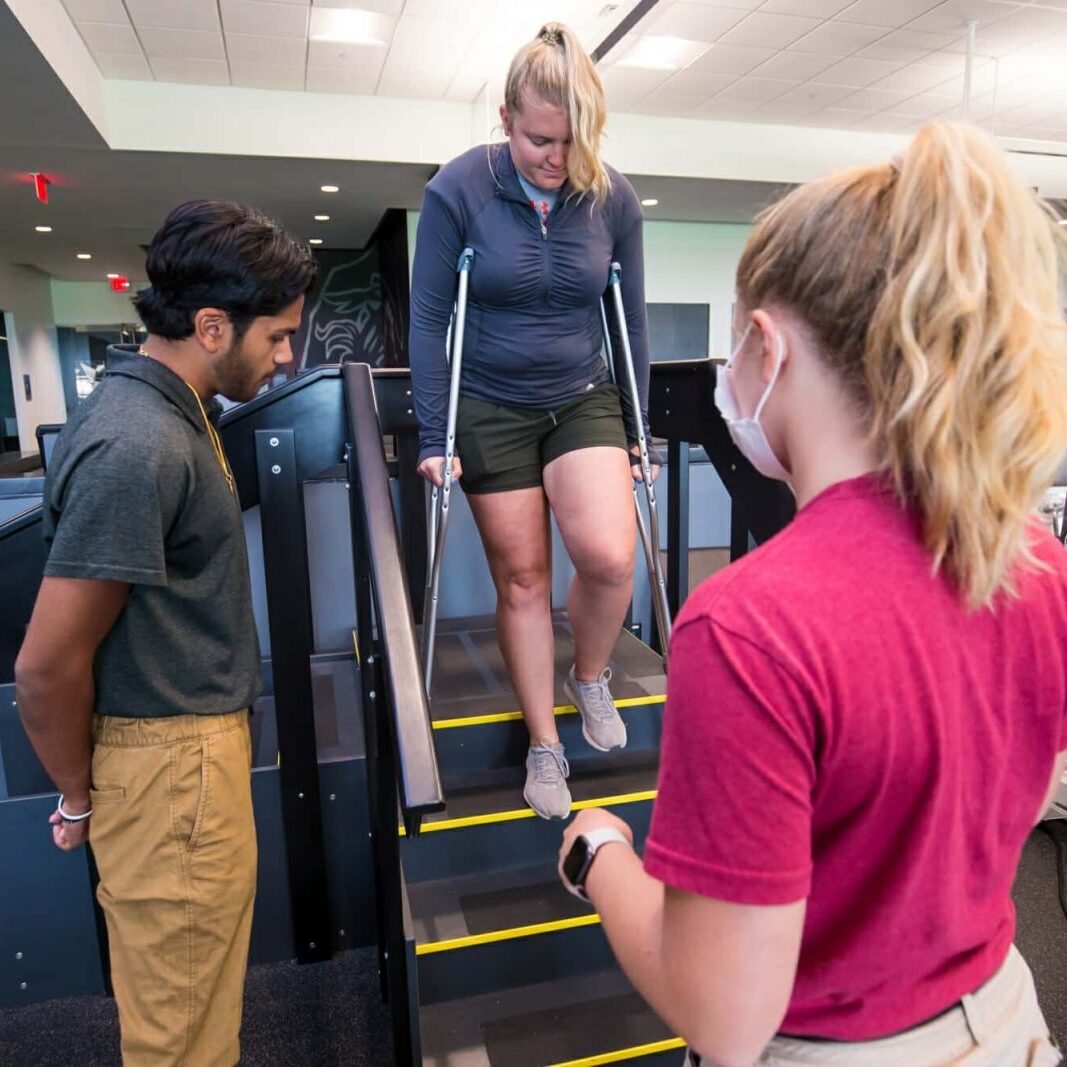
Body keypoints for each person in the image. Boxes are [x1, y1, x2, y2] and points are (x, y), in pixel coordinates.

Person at [557, 122, 1067, 1067]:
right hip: (1007, 1023)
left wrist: (599, 858)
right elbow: (1012, 802)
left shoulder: (750, 624)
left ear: (764, 346)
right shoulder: (1034, 564)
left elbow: (722, 1013)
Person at [15, 200, 316, 1067]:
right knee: (179, 1039)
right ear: (212, 325)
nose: (289, 356)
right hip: (169, 772)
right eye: (279, 336)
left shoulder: (178, 414)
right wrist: (78, 791)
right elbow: (47, 665)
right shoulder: (137, 441)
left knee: (194, 1016)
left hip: (188, 762)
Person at [410, 21, 659, 821]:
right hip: (487, 402)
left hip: (582, 393)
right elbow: (427, 319)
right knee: (522, 579)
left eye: (570, 141)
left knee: (609, 557)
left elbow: (632, 316)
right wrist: (431, 434)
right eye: (538, 139)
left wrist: (636, 424)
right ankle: (544, 745)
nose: (555, 157)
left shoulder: (610, 195)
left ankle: (589, 674)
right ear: (505, 114)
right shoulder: (458, 190)